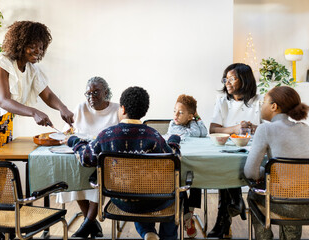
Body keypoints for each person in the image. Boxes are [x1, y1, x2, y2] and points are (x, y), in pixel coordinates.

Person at [0, 21, 74, 240]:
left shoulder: (31, 69)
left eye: (41, 47)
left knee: (3, 170)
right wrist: (33, 112)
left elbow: (48, 95)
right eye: (33, 45)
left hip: (3, 120)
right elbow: (3, 100)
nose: (38, 51)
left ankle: (1, 223)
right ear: (20, 42)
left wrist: (63, 108)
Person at [66, 86, 181, 240]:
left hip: (121, 201)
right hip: (153, 200)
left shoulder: (106, 135)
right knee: (178, 193)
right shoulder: (153, 135)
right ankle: (166, 237)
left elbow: (86, 158)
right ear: (144, 111)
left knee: (135, 196)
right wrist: (173, 141)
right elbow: (173, 160)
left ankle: (148, 232)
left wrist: (75, 141)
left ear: (123, 108)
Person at [244, 86, 309, 240]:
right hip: (306, 205)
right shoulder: (306, 129)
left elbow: (250, 172)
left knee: (253, 195)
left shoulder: (266, 129)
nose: (262, 106)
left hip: (281, 204)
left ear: (274, 106)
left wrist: (265, 173)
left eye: (264, 102)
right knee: (293, 191)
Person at [59, 76, 119, 238]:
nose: (91, 97)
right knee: (73, 172)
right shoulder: (80, 108)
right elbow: (67, 133)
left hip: (107, 160)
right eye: (88, 93)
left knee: (101, 173)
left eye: (96, 92)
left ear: (106, 92)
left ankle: (86, 225)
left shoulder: (117, 109)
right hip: (82, 155)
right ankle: (90, 223)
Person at [208, 63, 262, 238]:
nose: (227, 83)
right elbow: (213, 129)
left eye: (232, 78)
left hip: (253, 151)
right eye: (226, 79)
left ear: (244, 80)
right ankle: (234, 203)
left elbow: (269, 128)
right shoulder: (222, 101)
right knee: (224, 163)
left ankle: (225, 216)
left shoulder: (259, 101)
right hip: (227, 148)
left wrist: (253, 127)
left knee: (228, 167)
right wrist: (235, 128)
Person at [166, 94, 207, 238]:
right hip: (176, 163)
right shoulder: (173, 124)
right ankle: (187, 216)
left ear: (190, 116)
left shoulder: (192, 122)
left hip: (192, 161)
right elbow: (197, 134)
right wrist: (194, 119)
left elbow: (204, 132)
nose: (175, 115)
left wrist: (197, 117)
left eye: (180, 112)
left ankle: (189, 212)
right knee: (180, 182)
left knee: (197, 181)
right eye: (174, 111)